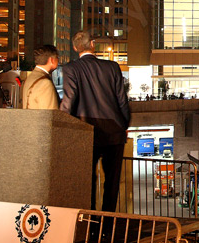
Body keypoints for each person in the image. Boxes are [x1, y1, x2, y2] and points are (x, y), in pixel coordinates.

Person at [60, 31, 130, 212]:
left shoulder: (71, 69)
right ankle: (107, 226)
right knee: (112, 183)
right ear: (92, 44)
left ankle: (88, 224)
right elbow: (122, 101)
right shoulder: (112, 67)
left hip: (86, 132)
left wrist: (61, 126)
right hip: (114, 131)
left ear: (75, 48)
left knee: (87, 181)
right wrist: (124, 126)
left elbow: (69, 101)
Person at [21, 45, 60, 109]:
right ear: (51, 60)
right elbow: (50, 114)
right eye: (57, 58)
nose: (58, 61)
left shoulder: (30, 77)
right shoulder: (45, 83)